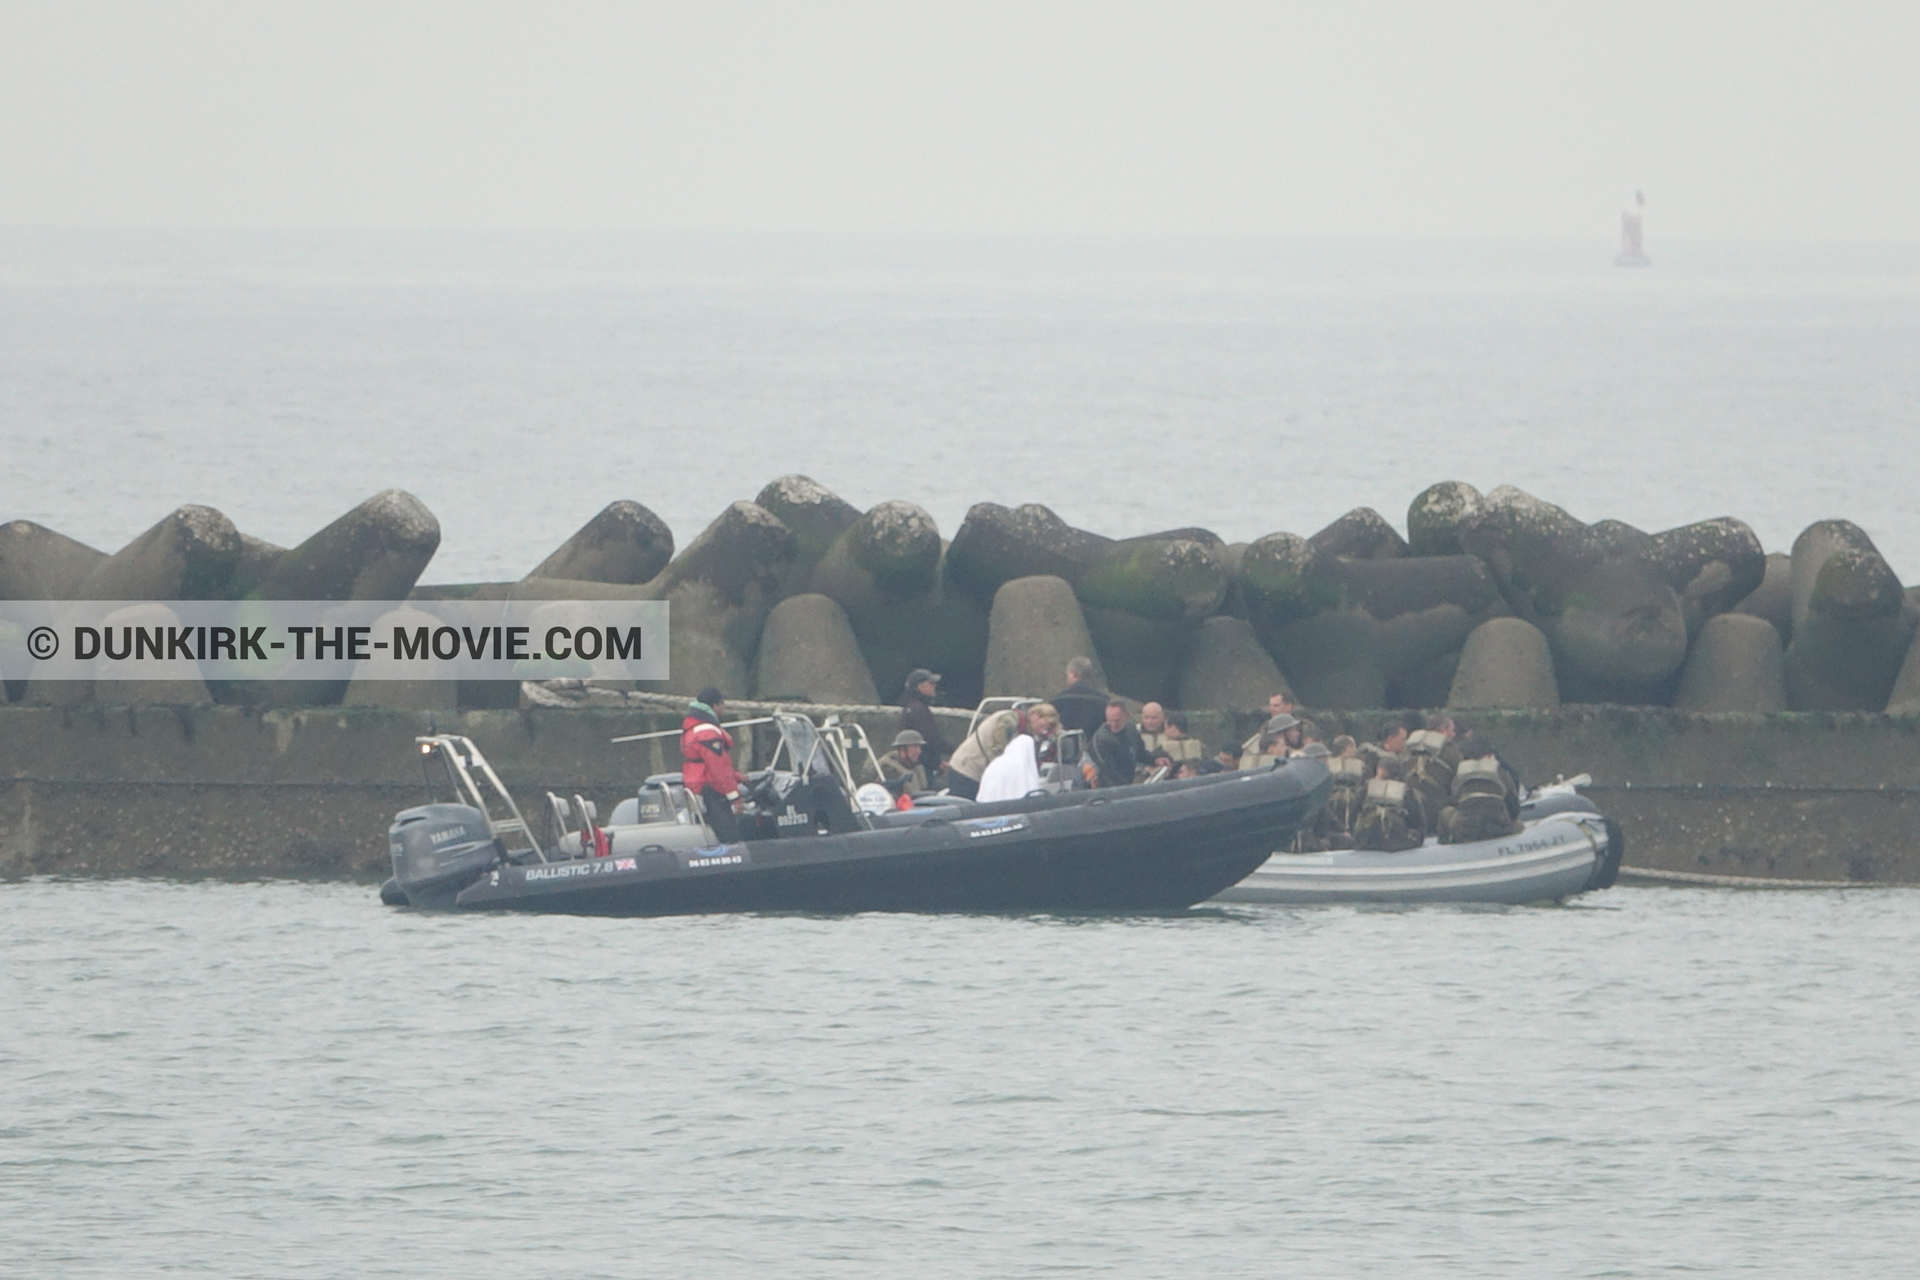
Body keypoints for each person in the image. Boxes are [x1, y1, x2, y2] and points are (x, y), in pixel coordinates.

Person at [948, 702, 1059, 799]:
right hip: (967, 769)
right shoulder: (1008, 720)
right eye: (1043, 725)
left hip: (981, 772)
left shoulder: (1027, 731)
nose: (1042, 731)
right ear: (1035, 716)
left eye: (1047, 729)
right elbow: (997, 751)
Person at [680, 686, 744, 844]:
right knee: (730, 838)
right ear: (715, 706)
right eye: (721, 704)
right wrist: (735, 798)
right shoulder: (708, 733)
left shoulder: (695, 727)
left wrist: (740, 777)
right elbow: (719, 770)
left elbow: (713, 764)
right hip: (711, 791)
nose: (723, 709)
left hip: (699, 786)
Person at [1437, 742, 1525, 844]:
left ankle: (1444, 846)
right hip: (1498, 829)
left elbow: (1453, 802)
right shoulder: (1502, 774)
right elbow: (1514, 809)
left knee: (1445, 812)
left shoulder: (1460, 775)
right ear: (1488, 756)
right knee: (1519, 826)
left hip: (1466, 830)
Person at [1085, 699, 1154, 788]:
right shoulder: (1102, 740)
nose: (1113, 724)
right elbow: (1109, 773)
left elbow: (1140, 754)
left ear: (1127, 716)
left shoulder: (1131, 729)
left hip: (1127, 781)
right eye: (1110, 720)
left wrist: (1155, 759)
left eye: (1117, 721)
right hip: (1107, 787)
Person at [897, 669, 952, 770]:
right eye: (931, 683)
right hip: (922, 767)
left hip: (920, 765)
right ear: (920, 686)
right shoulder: (918, 709)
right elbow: (931, 739)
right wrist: (954, 751)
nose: (934, 686)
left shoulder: (911, 707)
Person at [1050, 656, 1109, 737]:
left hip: (1067, 745)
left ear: (1072, 674)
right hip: (1096, 744)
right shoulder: (1103, 700)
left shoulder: (1058, 699)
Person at [1138, 703, 1203, 764]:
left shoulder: (1197, 744)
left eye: (1154, 718)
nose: (1150, 722)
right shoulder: (1134, 734)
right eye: (1146, 718)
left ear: (1162, 717)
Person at [877, 729, 930, 796]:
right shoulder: (888, 768)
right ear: (902, 749)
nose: (919, 751)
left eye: (919, 748)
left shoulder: (916, 767)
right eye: (915, 747)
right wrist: (898, 783)